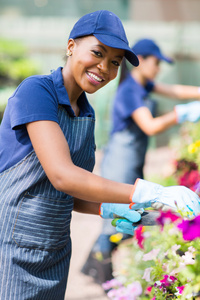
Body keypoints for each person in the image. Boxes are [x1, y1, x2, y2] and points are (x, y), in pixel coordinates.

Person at [0, 11, 199, 298]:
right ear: (71, 46)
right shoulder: (36, 91)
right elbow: (62, 176)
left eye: (115, 62)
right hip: (11, 251)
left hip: (54, 252)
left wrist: (105, 208)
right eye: (97, 53)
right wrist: (152, 193)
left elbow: (66, 193)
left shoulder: (86, 113)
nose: (104, 67)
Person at [81, 38, 200, 285]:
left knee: (128, 213)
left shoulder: (144, 85)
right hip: (119, 160)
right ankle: (99, 269)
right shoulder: (129, 90)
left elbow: (176, 90)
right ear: (141, 61)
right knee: (115, 215)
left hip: (133, 158)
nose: (158, 68)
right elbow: (150, 125)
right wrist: (180, 113)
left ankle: (96, 267)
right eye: (156, 62)